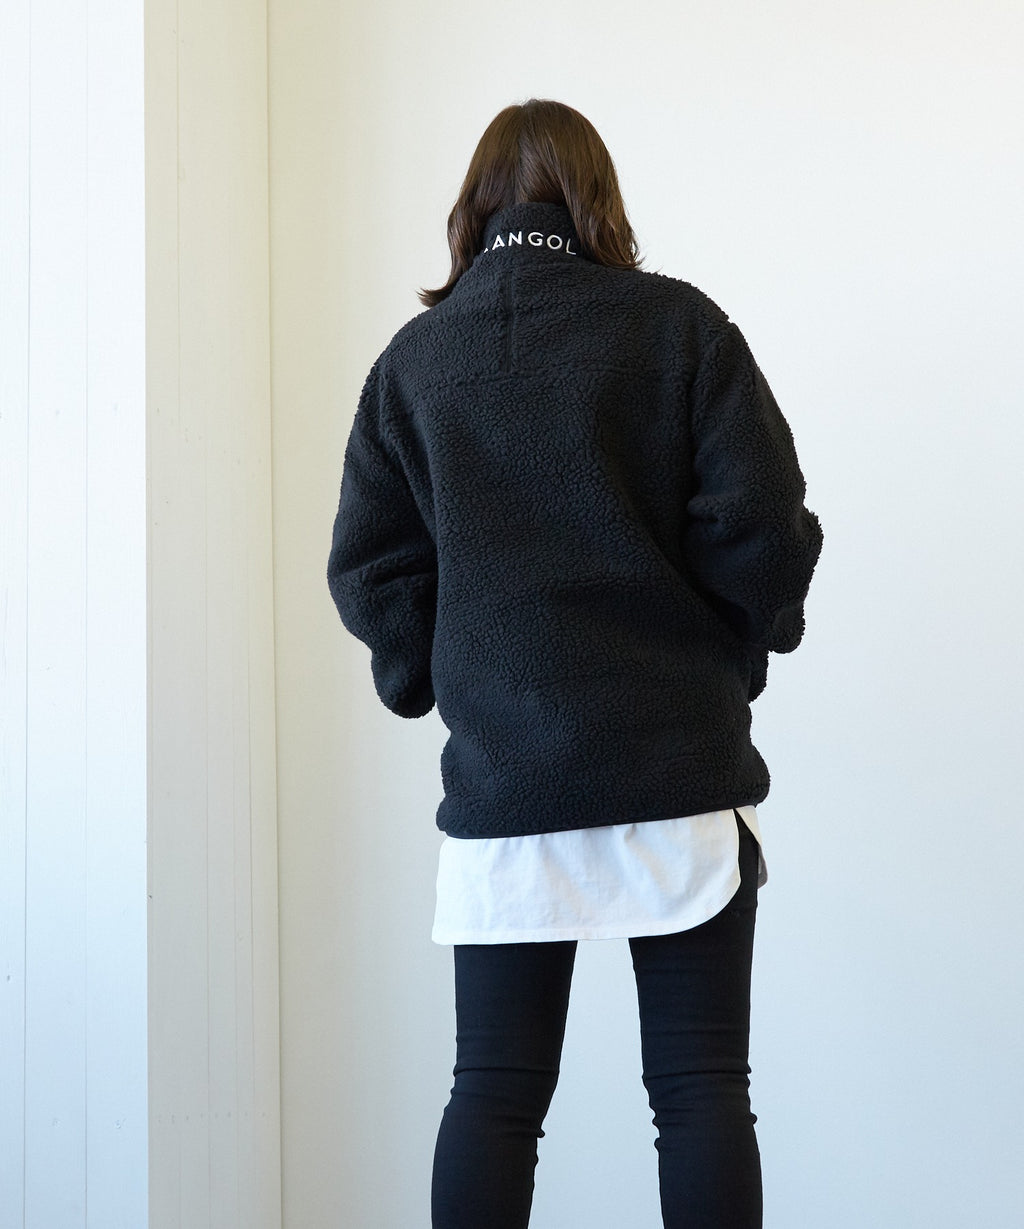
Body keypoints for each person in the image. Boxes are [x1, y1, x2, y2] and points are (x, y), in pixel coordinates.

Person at [327, 99, 822, 1229]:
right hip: (675, 774)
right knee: (701, 1092)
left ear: (473, 210)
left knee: (493, 1098)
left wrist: (443, 674)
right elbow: (761, 529)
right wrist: (737, 647)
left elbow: (371, 567)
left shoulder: (415, 365)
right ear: (601, 202)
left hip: (505, 785)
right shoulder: (681, 330)